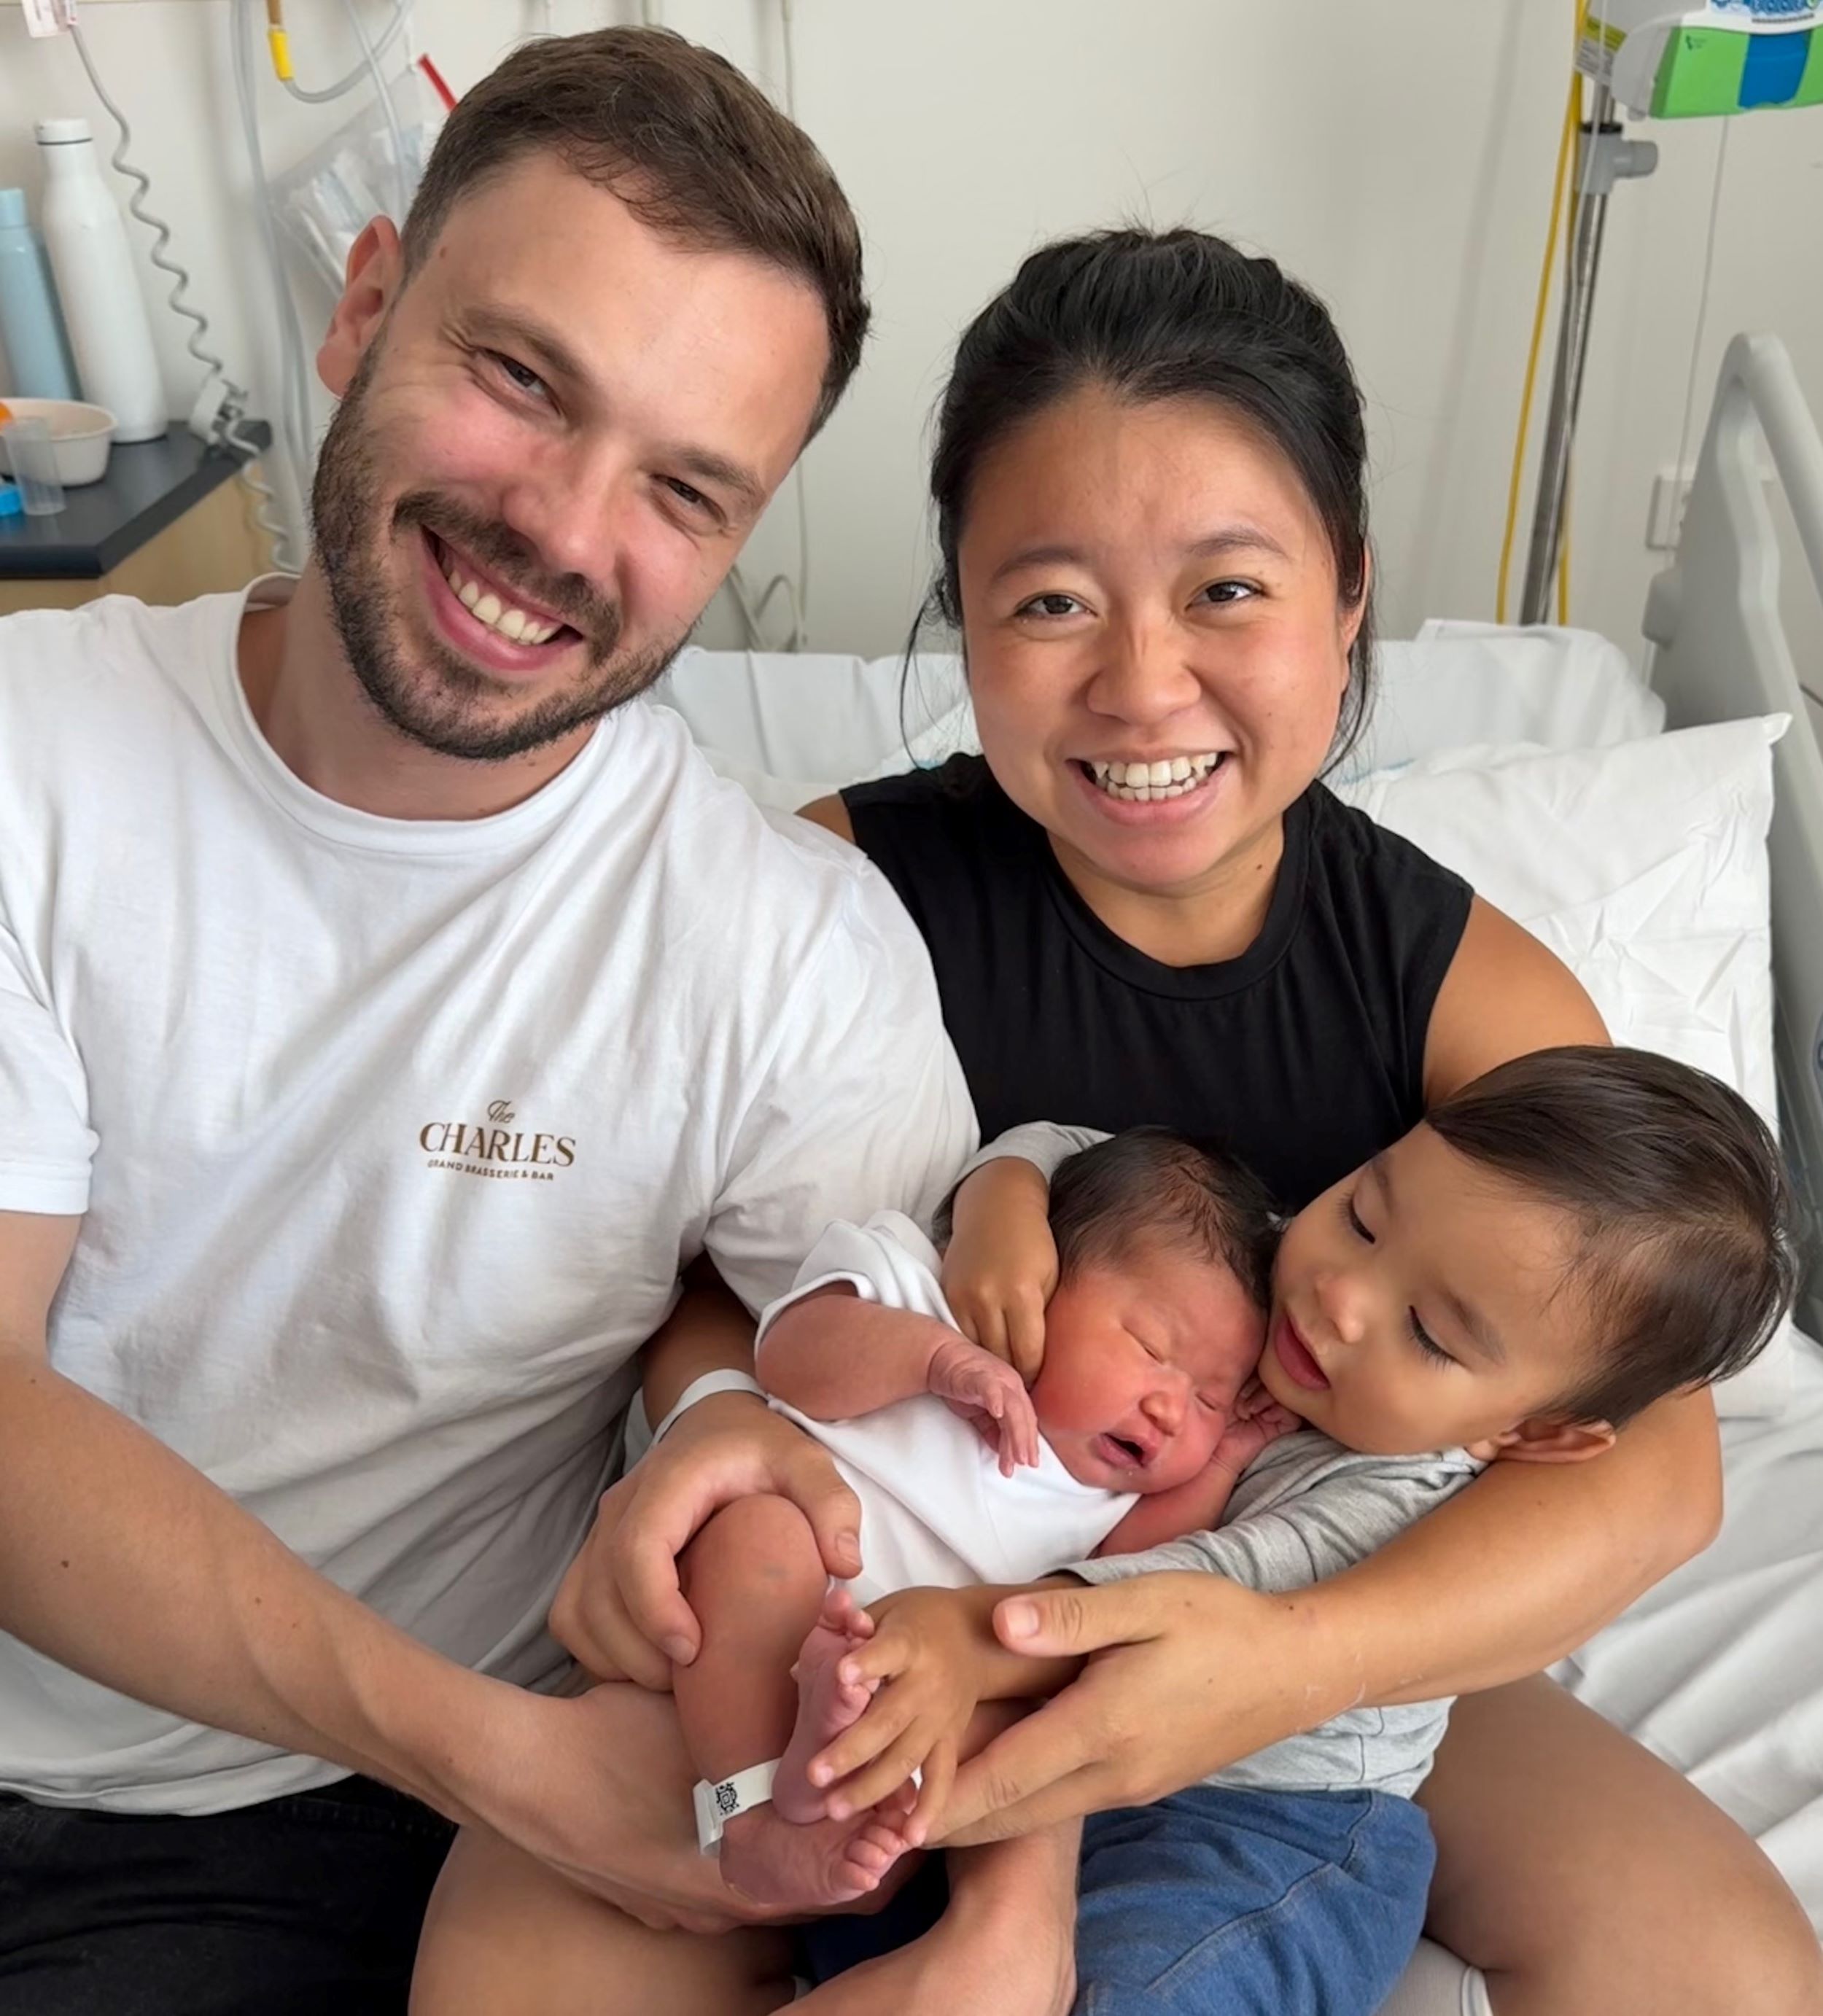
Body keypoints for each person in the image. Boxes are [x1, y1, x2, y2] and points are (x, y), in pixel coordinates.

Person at [552, 225, 1823, 2015]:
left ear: (1349, 592)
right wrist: (701, 1425)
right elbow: (686, 1265)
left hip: (1288, 1651)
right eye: (1052, 600)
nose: (1143, 688)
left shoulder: (1454, 984)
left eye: (1227, 590)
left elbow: (1658, 1470)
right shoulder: (831, 891)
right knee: (515, 1954)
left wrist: (1276, 1660)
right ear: (965, 614)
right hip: (860, 1591)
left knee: (1723, 1970)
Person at [0, 29, 979, 2015]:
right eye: (523, 379)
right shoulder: (36, 757)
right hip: (439, 1739)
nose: (560, 525)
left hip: (275, 1829)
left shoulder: (783, 960)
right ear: (365, 307)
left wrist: (1007, 1896)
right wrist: (493, 1750)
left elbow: (947, 1484)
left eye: (684, 490)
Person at [791, 1045, 1796, 2014]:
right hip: (1105, 1769)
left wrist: (941, 1631)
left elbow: (1154, 1607)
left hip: (1269, 1828)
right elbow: (1085, 1153)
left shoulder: (1392, 1501)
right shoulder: (1274, 1264)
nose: (1341, 1298)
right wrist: (1004, 1201)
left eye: (1430, 1334)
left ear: (1526, 1431)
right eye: (1362, 1215)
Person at [675, 1127, 1290, 1913]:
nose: (1171, 1408)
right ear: (1037, 1282)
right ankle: (752, 1818)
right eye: (1149, 1346)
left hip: (921, 1664)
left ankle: (823, 1794)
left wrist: (1225, 1454)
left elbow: (1135, 1571)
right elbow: (791, 1356)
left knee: (1009, 1716)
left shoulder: (1109, 1488)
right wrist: (931, 1359)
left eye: (1209, 1396)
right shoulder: (920, 1290)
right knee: (752, 1535)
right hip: (794, 1564)